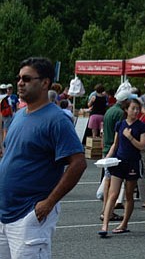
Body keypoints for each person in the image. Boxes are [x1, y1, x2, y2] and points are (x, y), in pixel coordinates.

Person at [0, 57, 86, 257]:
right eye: (19, 78)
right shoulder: (20, 115)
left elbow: (78, 163)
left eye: (27, 79)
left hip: (29, 215)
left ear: (45, 82)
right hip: (5, 212)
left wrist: (49, 202)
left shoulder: (57, 120)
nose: (20, 83)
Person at [99, 97, 145, 237]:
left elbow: (142, 146)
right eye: (133, 108)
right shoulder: (120, 124)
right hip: (119, 162)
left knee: (128, 194)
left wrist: (131, 137)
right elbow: (115, 143)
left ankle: (124, 224)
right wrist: (107, 157)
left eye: (138, 109)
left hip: (133, 162)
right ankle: (105, 225)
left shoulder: (141, 126)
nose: (136, 111)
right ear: (126, 110)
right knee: (113, 194)